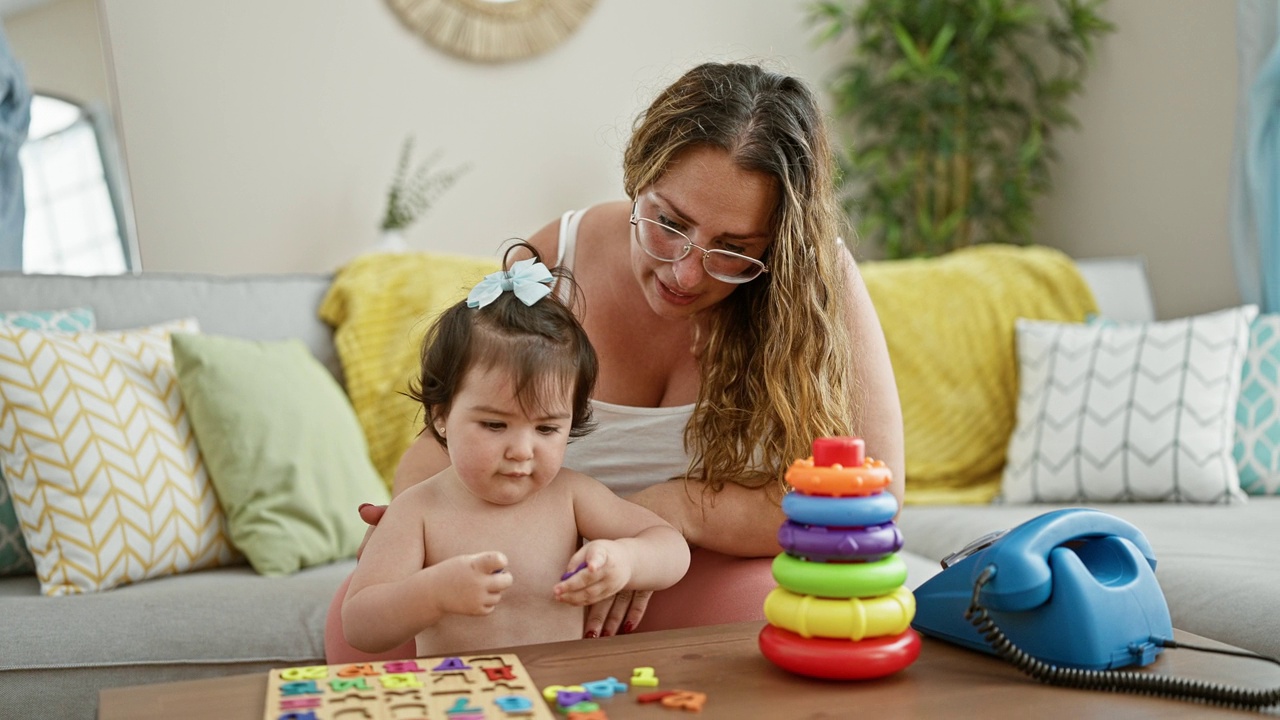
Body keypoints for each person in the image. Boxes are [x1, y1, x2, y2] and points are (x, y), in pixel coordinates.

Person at [325, 60, 904, 662]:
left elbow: (872, 500)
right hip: (534, 577)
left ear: (778, 243)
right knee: (357, 627)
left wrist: (667, 513)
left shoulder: (810, 285)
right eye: (668, 223)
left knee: (785, 616)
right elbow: (451, 433)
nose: (683, 273)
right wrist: (421, 527)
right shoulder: (556, 262)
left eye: (734, 250)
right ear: (638, 174)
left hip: (691, 573)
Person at [341, 248, 690, 657]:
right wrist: (432, 593)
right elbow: (359, 625)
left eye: (546, 428)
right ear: (441, 417)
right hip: (463, 701)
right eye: (494, 425)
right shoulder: (418, 510)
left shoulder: (571, 496)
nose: (522, 451)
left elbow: (670, 546)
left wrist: (626, 560)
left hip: (561, 697)